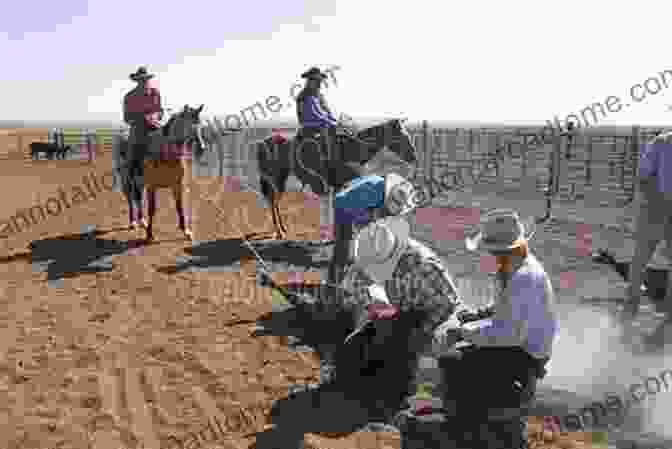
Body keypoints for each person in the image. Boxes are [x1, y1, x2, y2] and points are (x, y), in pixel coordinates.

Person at [429, 208, 559, 449]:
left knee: (453, 360)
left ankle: (468, 426)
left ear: (502, 249)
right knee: (460, 356)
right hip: (524, 345)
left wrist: (462, 332)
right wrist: (480, 314)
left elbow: (507, 334)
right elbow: (507, 307)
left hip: (524, 353)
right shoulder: (520, 267)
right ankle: (474, 423)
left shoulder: (523, 278)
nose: (489, 254)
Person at [623, 130, 672, 345]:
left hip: (658, 206)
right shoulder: (660, 142)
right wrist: (656, 200)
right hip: (656, 206)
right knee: (641, 256)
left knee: (641, 256)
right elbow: (643, 177)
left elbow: (643, 176)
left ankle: (668, 311)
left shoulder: (660, 142)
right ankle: (632, 303)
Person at [123, 66, 163, 229]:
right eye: (140, 80)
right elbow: (126, 117)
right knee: (133, 157)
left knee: (168, 145)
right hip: (138, 131)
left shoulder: (155, 93)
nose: (143, 82)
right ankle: (131, 178)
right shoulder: (129, 96)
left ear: (148, 80)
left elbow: (160, 111)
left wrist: (155, 117)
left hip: (154, 128)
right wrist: (141, 118)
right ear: (137, 81)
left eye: (145, 79)